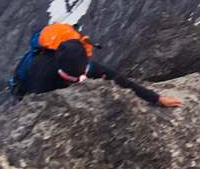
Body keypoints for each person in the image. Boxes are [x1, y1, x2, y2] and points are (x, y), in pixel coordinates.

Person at [10, 24, 181, 108]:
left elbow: (119, 80)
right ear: (61, 72)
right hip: (25, 83)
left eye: (84, 74)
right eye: (76, 78)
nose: (82, 78)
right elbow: (33, 104)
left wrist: (156, 98)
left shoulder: (84, 65)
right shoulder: (41, 76)